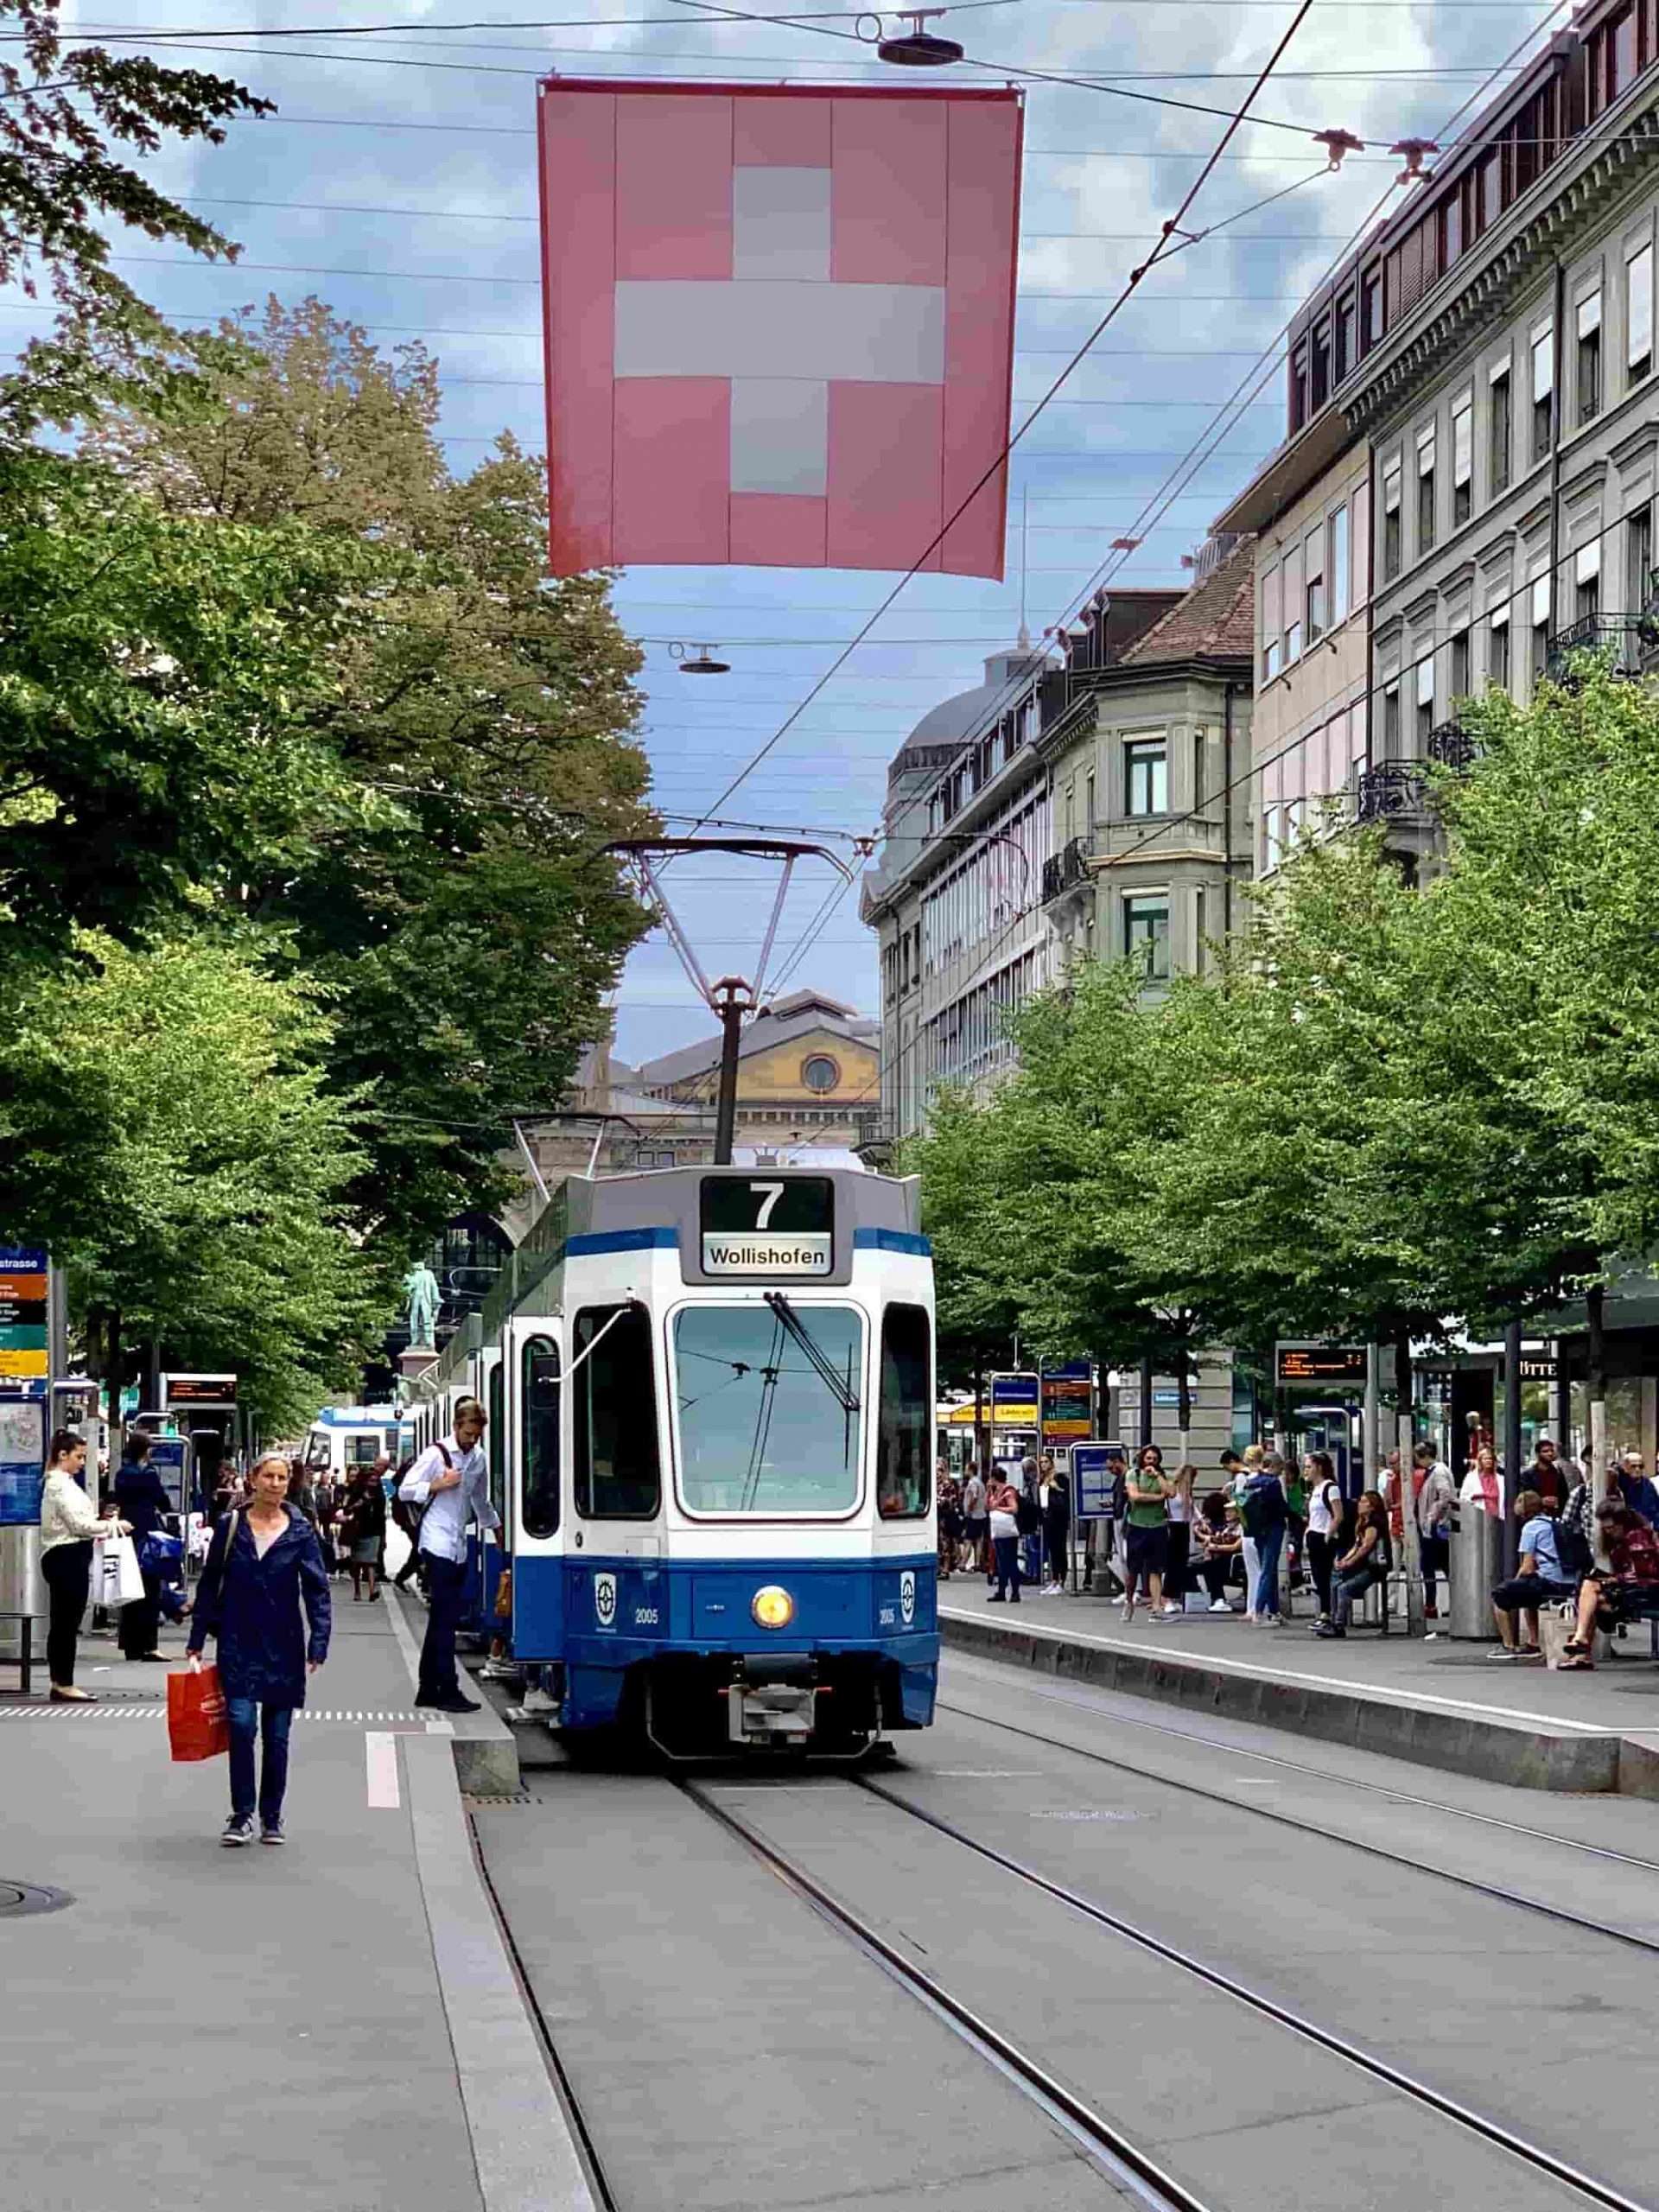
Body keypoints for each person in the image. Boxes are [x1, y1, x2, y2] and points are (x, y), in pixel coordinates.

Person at [186, 1452, 331, 1846]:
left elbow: (318, 1590)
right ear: (253, 1479)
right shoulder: (231, 1526)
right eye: (269, 1476)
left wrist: (319, 1641)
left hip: (284, 1644)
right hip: (238, 1640)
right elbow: (209, 1583)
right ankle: (241, 1814)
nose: (276, 1483)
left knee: (278, 1736)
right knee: (241, 1724)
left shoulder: (300, 1531)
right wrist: (197, 1638)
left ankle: (272, 1816)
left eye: (283, 1477)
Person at [399, 1399, 499, 1713]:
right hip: (436, 1542)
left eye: (476, 1436)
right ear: (457, 1426)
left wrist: (495, 1527)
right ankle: (448, 1689)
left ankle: (428, 1689)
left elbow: (479, 1499)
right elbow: (403, 1489)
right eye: (468, 1433)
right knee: (445, 1619)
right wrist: (436, 1485)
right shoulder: (436, 1453)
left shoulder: (478, 1458)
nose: (471, 1441)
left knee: (442, 1620)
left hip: (458, 1545)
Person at [39, 1430, 131, 1702]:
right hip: (66, 1555)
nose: (82, 1462)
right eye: (79, 1456)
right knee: (66, 1623)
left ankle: (62, 1680)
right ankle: (63, 1682)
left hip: (68, 1554)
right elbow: (79, 1525)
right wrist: (114, 1525)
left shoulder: (63, 1482)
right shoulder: (58, 1484)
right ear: (62, 1455)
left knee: (65, 1622)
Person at [1558, 1498, 1659, 1668]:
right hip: (1636, 1591)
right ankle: (1580, 1644)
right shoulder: (1623, 1539)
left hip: (1648, 1592)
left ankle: (1581, 1649)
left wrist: (1614, 1579)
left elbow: (1646, 1574)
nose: (1609, 1532)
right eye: (1605, 1528)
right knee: (1590, 1594)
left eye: (1612, 1528)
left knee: (1590, 1591)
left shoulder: (1637, 1537)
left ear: (1623, 1523)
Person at [1488, 1487, 1578, 1659]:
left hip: (1550, 1582)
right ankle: (1533, 1642)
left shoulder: (1531, 1528)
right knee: (1529, 1595)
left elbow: (1527, 1567)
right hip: (1569, 1581)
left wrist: (1513, 1582)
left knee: (1500, 1594)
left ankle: (1508, 1646)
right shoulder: (1555, 1522)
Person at [112, 1430, 172, 1663]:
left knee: (130, 1589)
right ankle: (149, 1645)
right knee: (150, 1589)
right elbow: (162, 1501)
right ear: (145, 1450)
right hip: (148, 1533)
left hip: (128, 1532)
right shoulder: (148, 1475)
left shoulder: (121, 1475)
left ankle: (130, 1645)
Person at [1316, 1490, 1390, 1638]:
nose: (1359, 1505)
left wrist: (1349, 1563)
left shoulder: (1373, 1525)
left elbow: (1365, 1548)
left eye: (1364, 1502)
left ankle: (1339, 1625)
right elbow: (1356, 1546)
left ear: (1372, 1507)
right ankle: (1332, 1619)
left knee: (1344, 1588)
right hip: (1363, 1565)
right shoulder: (1362, 1523)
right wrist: (1344, 1561)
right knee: (1335, 1582)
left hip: (1374, 1567)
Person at [1122, 1445, 1175, 1623]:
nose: (1151, 1462)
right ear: (1142, 1459)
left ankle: (1156, 1607)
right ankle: (1129, 1600)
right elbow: (1135, 1496)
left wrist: (1158, 1476)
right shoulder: (1133, 1474)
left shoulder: (1162, 1475)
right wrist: (1158, 1498)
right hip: (1137, 1526)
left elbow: (1171, 1492)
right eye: (1148, 1458)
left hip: (1158, 1526)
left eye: (1154, 1459)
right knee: (1133, 1570)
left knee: (1156, 1569)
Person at [1239, 1453, 1288, 1624]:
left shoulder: (1251, 1482)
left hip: (1256, 1529)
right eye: (1281, 1467)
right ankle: (1258, 1611)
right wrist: (1298, 1519)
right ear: (1275, 1466)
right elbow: (1281, 1507)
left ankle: (1273, 1611)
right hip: (1274, 1527)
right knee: (1269, 1569)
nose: (1282, 1470)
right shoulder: (1273, 1483)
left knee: (1267, 1568)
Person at [1412, 1442, 1456, 1619]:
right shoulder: (1436, 1470)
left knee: (1431, 1566)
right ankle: (1436, 1603)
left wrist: (1432, 1516)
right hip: (1435, 1526)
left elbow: (1444, 1494)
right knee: (1442, 1566)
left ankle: (1431, 1605)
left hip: (1436, 1528)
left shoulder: (1438, 1472)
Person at [1303, 1452, 1345, 1621]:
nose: (1305, 1471)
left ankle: (1326, 1612)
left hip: (1324, 1536)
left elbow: (1338, 1515)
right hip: (1314, 1534)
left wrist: (1328, 1535)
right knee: (1317, 1576)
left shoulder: (1330, 1488)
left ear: (1319, 1468)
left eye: (1308, 1467)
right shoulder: (1315, 1490)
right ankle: (1324, 1611)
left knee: (1324, 1576)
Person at [337, 1463, 385, 1603]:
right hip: (358, 1530)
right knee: (357, 1563)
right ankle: (357, 1591)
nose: (373, 1483)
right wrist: (359, 1503)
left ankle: (371, 1591)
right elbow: (347, 1509)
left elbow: (381, 1516)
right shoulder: (357, 1492)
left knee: (371, 1562)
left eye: (376, 1481)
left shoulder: (379, 1496)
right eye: (371, 1480)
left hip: (374, 1531)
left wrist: (383, 1536)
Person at [1194, 1491, 1243, 1611]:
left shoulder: (1241, 1528)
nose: (1227, 1513)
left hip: (1235, 1562)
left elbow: (1234, 1547)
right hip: (1225, 1559)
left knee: (1210, 1565)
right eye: (1226, 1510)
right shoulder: (1228, 1528)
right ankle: (1206, 1597)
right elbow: (1215, 1538)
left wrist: (1213, 1547)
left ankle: (1219, 1599)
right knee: (1199, 1564)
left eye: (1231, 1511)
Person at [985, 1470, 1022, 1602]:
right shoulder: (995, 1492)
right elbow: (987, 1506)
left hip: (1008, 1532)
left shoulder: (1008, 1491)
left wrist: (998, 1508)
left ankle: (1015, 1592)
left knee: (1011, 1561)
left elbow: (1014, 1509)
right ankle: (1001, 1591)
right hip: (999, 1532)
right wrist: (988, 1491)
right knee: (1001, 1562)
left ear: (995, 1478)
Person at [1039, 1454, 1071, 1595]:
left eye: (1046, 1462)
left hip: (1059, 1518)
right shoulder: (1042, 1480)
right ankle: (1054, 1580)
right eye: (1041, 1463)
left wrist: (1057, 1488)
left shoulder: (1059, 1478)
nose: (1043, 1465)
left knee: (1060, 1549)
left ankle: (1061, 1581)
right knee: (1052, 1550)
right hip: (1047, 1517)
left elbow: (1067, 1495)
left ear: (1052, 1463)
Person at [1611, 1450, 1659, 1529]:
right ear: (1626, 1467)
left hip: (1648, 1530)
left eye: (1640, 1466)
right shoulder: (1621, 1484)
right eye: (1633, 1466)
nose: (1637, 1469)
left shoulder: (1648, 1485)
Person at [1523, 1437, 1568, 1510]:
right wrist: (1540, 1501)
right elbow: (1524, 1498)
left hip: (1555, 1515)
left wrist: (1558, 1502)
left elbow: (1565, 1495)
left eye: (1552, 1451)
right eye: (1545, 1451)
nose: (1550, 1454)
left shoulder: (1558, 1473)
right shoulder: (1528, 1475)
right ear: (1538, 1454)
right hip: (1536, 1514)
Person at [961, 1463, 988, 1580]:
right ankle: (977, 1563)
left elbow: (974, 1496)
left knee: (968, 1539)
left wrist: (969, 1509)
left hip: (974, 1515)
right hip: (981, 1514)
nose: (965, 1471)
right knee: (979, 1540)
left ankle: (963, 1562)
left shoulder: (973, 1483)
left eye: (966, 1469)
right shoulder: (981, 1482)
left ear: (971, 1470)